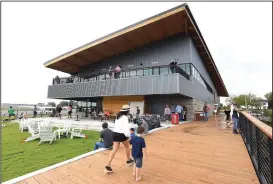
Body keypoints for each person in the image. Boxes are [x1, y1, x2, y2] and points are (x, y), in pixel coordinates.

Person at [104, 105, 134, 173]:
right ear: (127, 111)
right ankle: (129, 160)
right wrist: (129, 136)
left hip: (115, 133)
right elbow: (126, 128)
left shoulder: (118, 116)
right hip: (121, 134)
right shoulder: (125, 117)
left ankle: (107, 166)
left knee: (114, 150)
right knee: (127, 147)